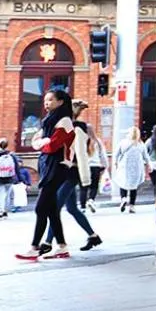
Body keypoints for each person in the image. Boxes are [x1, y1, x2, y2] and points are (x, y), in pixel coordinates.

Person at [15, 89, 76, 261]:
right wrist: (43, 142)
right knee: (51, 209)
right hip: (48, 164)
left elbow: (53, 146)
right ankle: (62, 246)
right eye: (45, 100)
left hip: (58, 166)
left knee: (41, 208)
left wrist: (42, 143)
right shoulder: (50, 120)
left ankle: (34, 248)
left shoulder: (64, 121)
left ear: (60, 102)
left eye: (50, 100)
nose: (46, 103)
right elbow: (38, 142)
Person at [56, 101, 102, 251]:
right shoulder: (69, 127)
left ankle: (48, 244)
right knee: (71, 208)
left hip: (71, 173)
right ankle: (93, 236)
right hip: (67, 172)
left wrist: (85, 178)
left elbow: (81, 155)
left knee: (54, 208)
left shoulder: (76, 129)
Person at [113, 128, 150, 212]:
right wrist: (149, 165)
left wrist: (115, 162)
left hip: (124, 167)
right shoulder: (140, 144)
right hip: (137, 168)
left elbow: (116, 154)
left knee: (123, 183)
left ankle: (123, 198)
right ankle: (132, 206)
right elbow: (146, 156)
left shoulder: (123, 142)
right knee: (134, 187)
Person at [83, 129, 107, 213]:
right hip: (96, 166)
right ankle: (91, 200)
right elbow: (102, 154)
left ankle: (83, 207)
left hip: (85, 166)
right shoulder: (97, 141)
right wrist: (105, 165)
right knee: (94, 186)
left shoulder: (82, 140)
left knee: (84, 186)